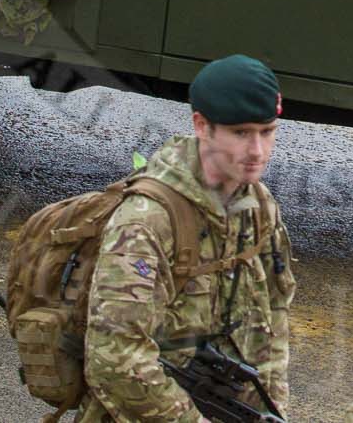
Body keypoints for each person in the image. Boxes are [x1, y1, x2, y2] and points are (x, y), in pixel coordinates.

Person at [78, 54, 296, 422]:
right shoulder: (149, 221)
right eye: (241, 133)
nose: (257, 151)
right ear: (202, 126)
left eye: (267, 132)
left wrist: (271, 412)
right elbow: (114, 357)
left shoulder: (260, 207)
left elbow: (272, 324)